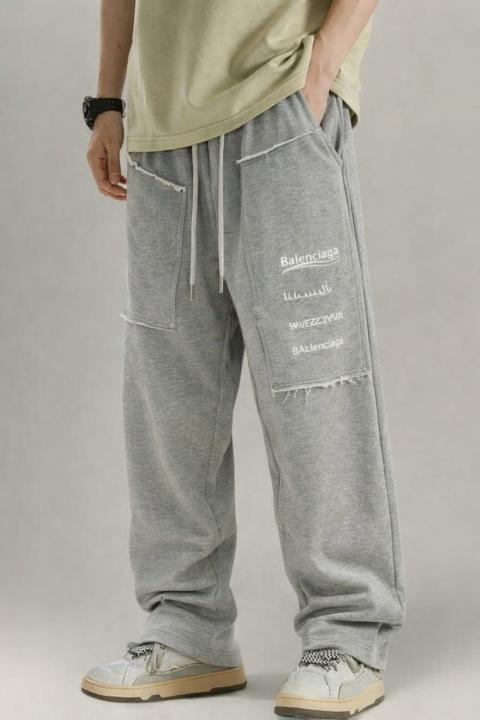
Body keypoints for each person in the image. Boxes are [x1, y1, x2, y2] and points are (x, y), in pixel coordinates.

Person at [81, 1, 406, 716]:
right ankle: (187, 628)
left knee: (315, 384)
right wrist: (108, 102)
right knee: (168, 401)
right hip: (161, 130)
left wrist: (324, 68)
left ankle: (347, 631)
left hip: (279, 102)